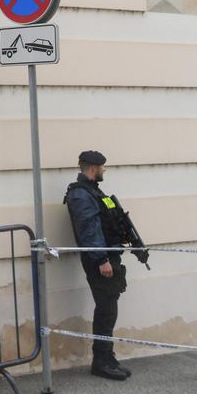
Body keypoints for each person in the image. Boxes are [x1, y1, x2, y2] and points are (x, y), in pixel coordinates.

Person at [64, 150, 131, 381]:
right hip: (99, 259)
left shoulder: (93, 191)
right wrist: (102, 259)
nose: (105, 170)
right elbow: (89, 229)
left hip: (108, 254)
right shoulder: (81, 194)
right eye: (103, 167)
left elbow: (104, 221)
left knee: (109, 307)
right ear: (93, 167)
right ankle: (101, 361)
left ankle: (106, 356)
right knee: (105, 309)